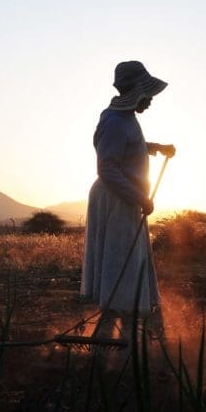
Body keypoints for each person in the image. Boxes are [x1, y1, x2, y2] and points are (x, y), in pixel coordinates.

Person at [80, 60, 175, 338]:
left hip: (124, 198)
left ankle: (116, 329)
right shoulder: (114, 121)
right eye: (147, 95)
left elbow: (128, 147)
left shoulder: (124, 119)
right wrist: (139, 198)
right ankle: (115, 331)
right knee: (120, 260)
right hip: (117, 199)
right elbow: (107, 167)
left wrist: (154, 147)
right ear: (135, 91)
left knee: (125, 260)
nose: (150, 101)